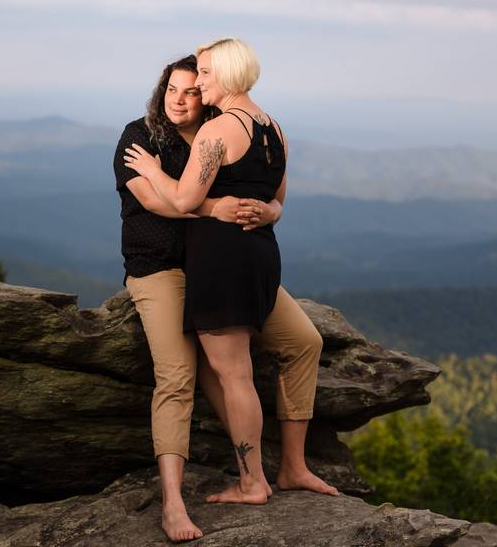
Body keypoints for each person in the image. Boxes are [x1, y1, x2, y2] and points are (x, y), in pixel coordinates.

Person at [114, 48, 335, 543]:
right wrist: (213, 207)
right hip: (163, 268)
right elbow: (159, 202)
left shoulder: (222, 129)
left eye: (193, 88)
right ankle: (173, 503)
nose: (181, 98)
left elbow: (271, 198)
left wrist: (270, 213)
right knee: (179, 374)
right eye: (172, 88)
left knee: (303, 342)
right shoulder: (141, 137)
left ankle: (288, 468)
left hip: (221, 266)